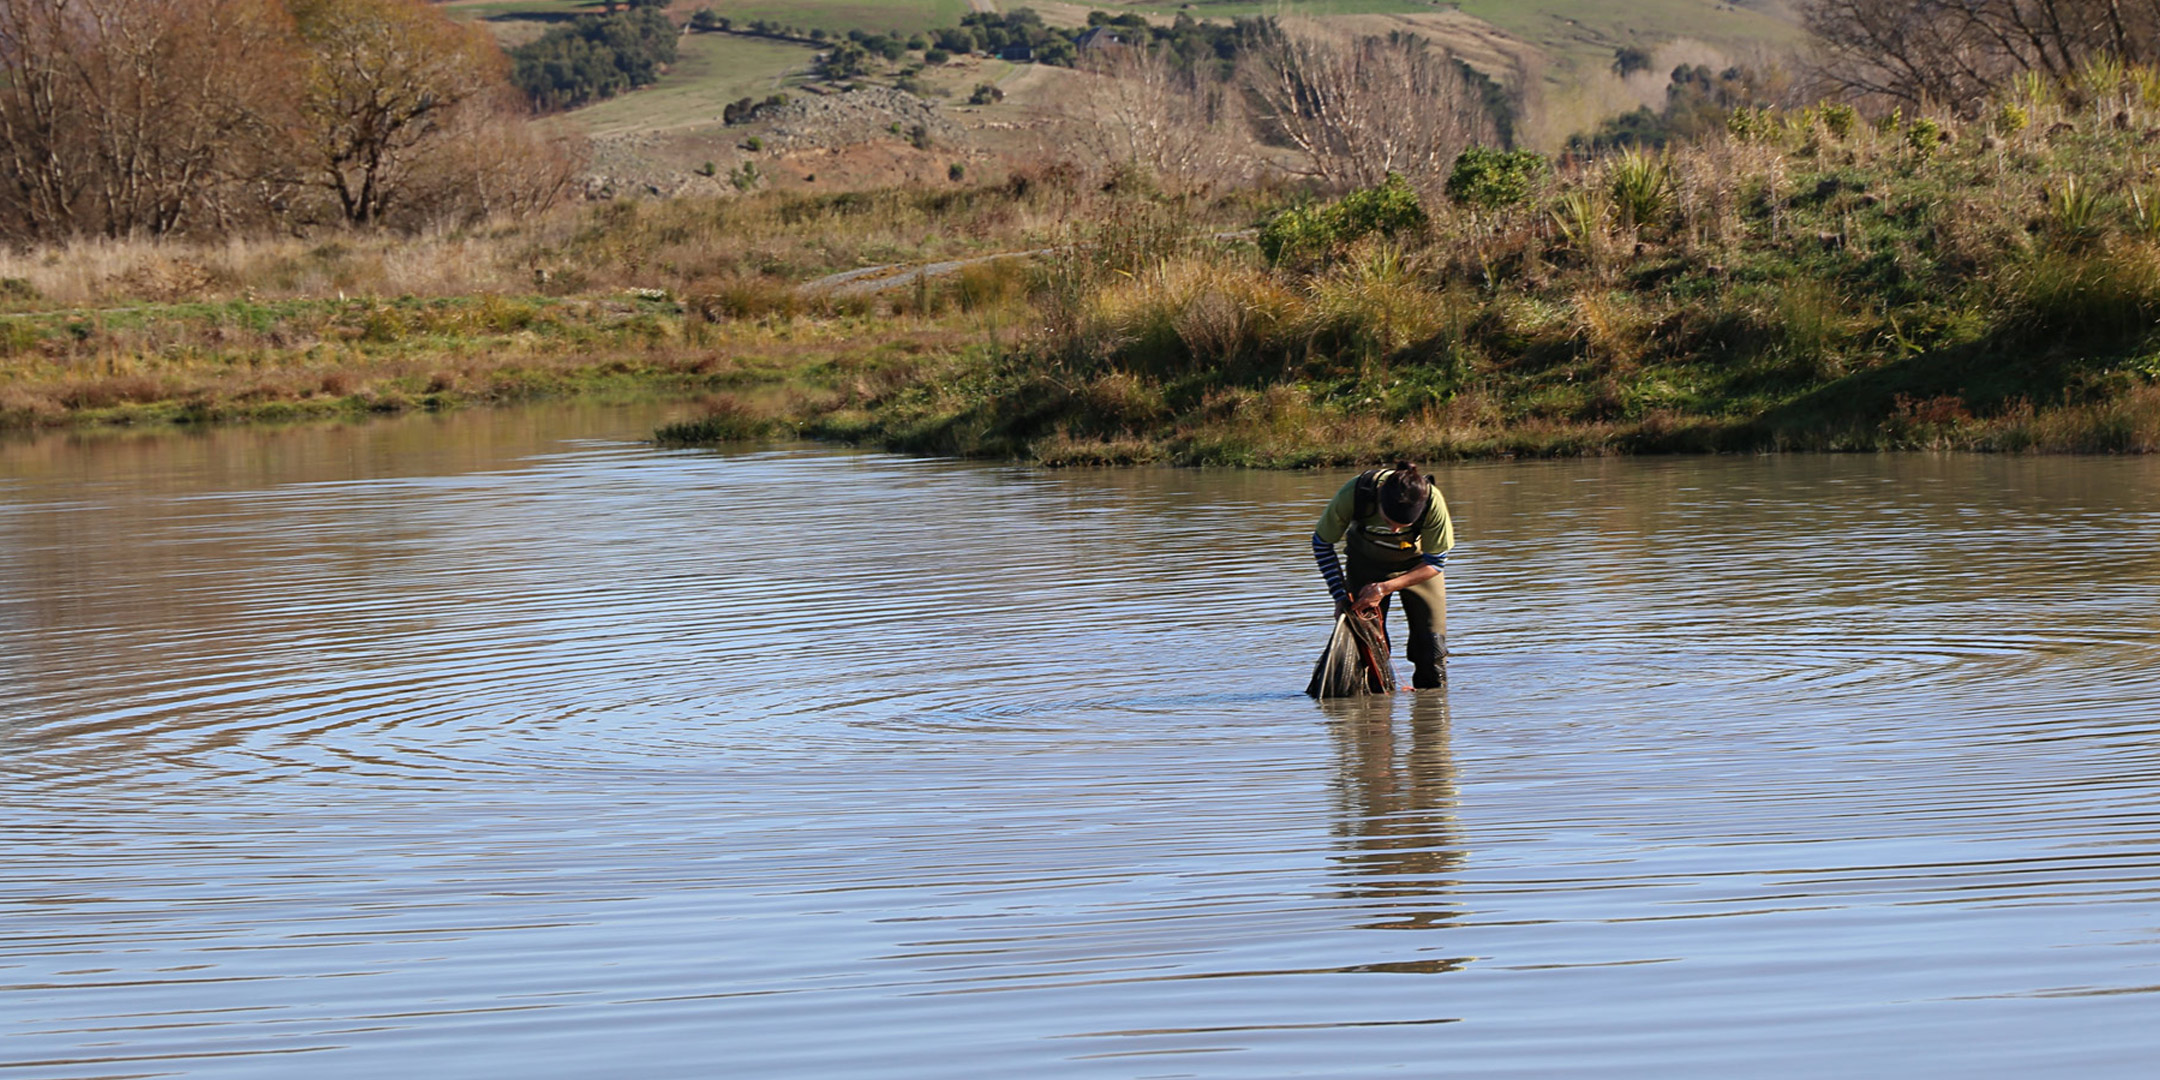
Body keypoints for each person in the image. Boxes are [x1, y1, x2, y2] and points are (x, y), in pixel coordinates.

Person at [1310, 462, 1454, 689]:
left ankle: (1431, 715)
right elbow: (1322, 544)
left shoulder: (1432, 500)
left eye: (1403, 526)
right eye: (1388, 522)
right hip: (1365, 565)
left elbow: (1435, 562)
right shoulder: (1355, 493)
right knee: (1367, 649)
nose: (1394, 531)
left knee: (1432, 649)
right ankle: (1378, 714)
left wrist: (1385, 588)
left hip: (1419, 569)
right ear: (1379, 501)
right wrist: (1339, 596)